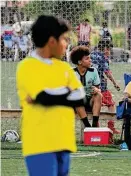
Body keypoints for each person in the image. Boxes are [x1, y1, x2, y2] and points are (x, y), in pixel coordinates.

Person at [16, 15, 85, 176]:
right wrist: (67, 92)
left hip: (63, 141)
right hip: (40, 143)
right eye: (64, 39)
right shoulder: (27, 67)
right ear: (52, 41)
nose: (66, 44)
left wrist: (54, 95)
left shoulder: (63, 67)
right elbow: (44, 97)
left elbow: (81, 97)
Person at [70, 46, 102, 128]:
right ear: (80, 62)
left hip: (90, 101)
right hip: (77, 104)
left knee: (98, 95)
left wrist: (96, 89)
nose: (90, 60)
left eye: (90, 58)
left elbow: (97, 88)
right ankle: (87, 125)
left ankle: (94, 124)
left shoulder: (93, 71)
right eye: (87, 58)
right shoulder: (72, 73)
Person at [91, 40, 120, 113]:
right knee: (111, 104)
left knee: (95, 106)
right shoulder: (103, 57)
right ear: (105, 49)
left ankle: (95, 124)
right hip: (100, 86)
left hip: (89, 85)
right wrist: (115, 83)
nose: (109, 53)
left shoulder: (91, 54)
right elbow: (107, 72)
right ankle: (111, 123)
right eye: (109, 50)